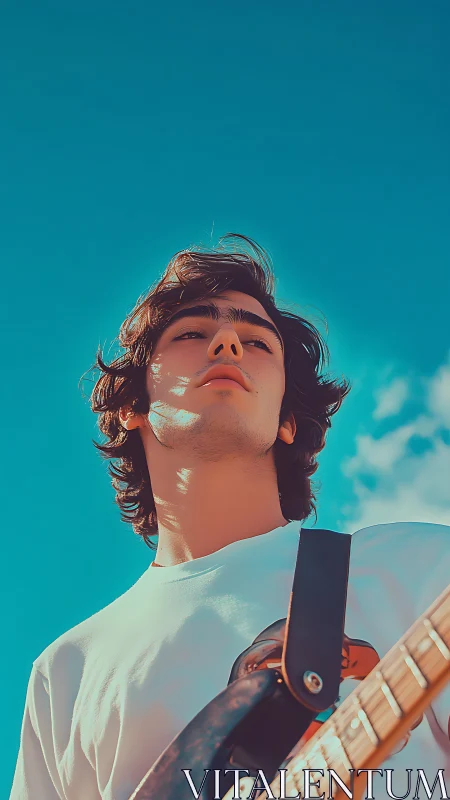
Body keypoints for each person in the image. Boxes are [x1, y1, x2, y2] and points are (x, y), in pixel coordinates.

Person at [10, 235, 450, 800]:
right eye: (192, 332)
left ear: (287, 419)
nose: (227, 343)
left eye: (258, 342)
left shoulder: (419, 570)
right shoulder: (66, 673)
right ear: (132, 407)